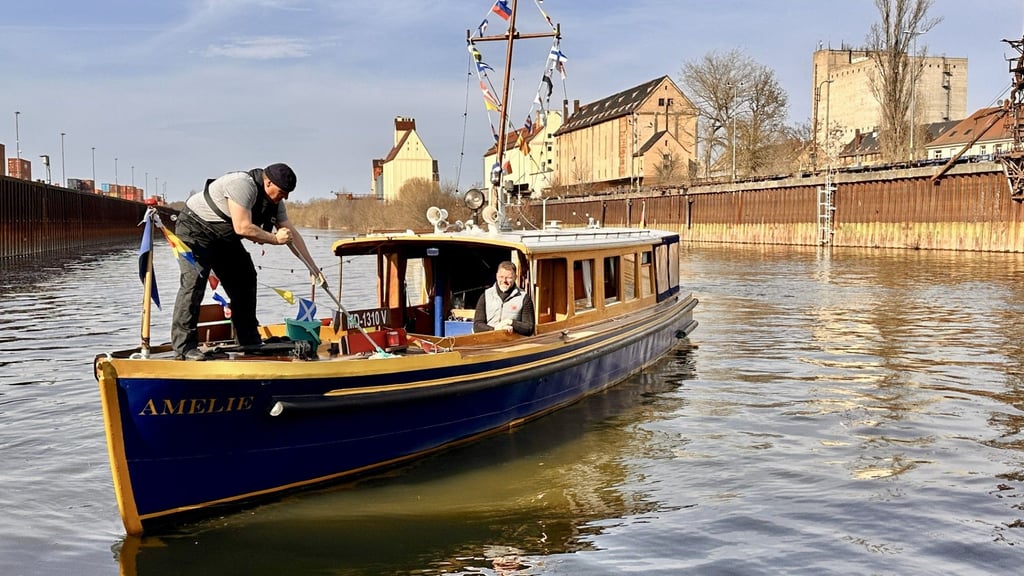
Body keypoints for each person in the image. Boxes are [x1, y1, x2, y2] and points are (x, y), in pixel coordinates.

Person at [171, 163, 320, 360]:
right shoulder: (242, 185)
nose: (285, 197)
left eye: (288, 193)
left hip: (224, 237)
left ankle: (248, 341)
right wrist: (275, 239)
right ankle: (184, 348)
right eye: (282, 192)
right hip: (194, 229)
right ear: (268, 182)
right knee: (194, 282)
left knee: (245, 278)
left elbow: (291, 235)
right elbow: (242, 227)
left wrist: (312, 267)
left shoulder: (275, 203)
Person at [473, 261, 535, 336]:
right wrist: (495, 330)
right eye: (501, 277)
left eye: (509, 278)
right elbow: (477, 326)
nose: (504, 281)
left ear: (515, 277)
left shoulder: (524, 298)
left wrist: (510, 322)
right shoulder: (486, 295)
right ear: (496, 276)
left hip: (513, 342)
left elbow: (529, 328)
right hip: (489, 340)